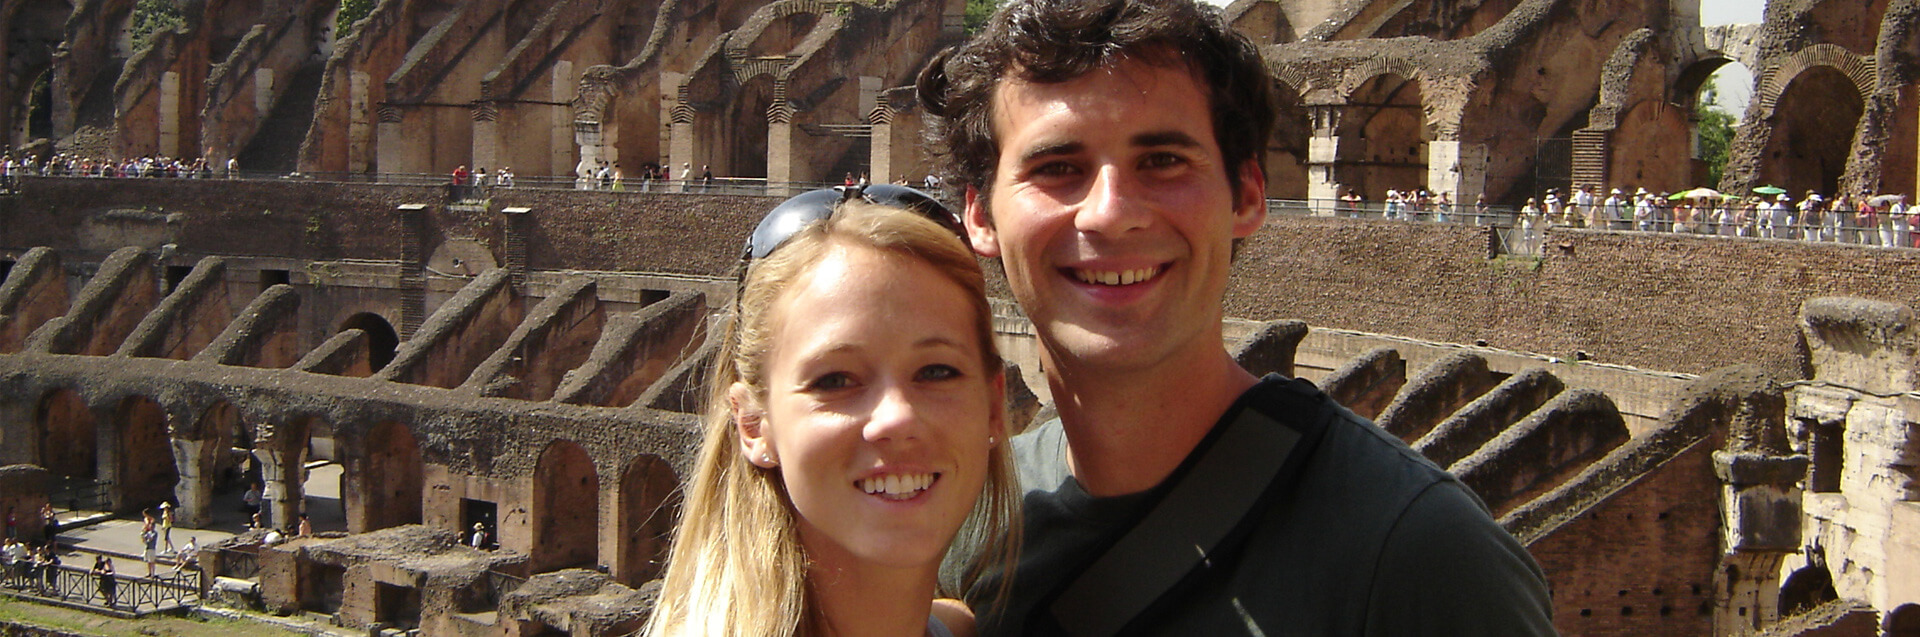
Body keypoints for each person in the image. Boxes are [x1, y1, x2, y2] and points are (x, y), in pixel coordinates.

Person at [917, 0, 1556, 633]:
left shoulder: (1421, 558)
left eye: (1163, 161)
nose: (1110, 212)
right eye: (1057, 168)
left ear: (1247, 195)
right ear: (980, 216)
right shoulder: (963, 517)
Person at [644, 193, 1021, 637]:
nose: (896, 418)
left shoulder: (958, 628)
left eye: (937, 371)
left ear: (995, 407)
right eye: (835, 380)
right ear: (753, 424)